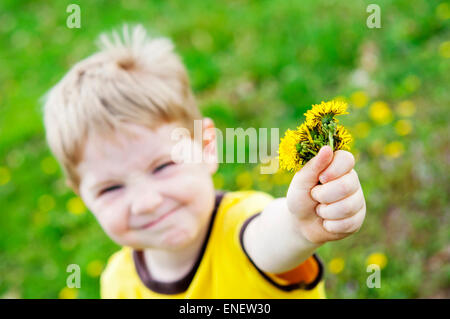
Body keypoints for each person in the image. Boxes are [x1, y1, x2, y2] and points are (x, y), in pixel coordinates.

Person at [42, 25, 366, 298]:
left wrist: (298, 225)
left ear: (207, 146)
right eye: (110, 188)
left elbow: (275, 236)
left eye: (163, 166)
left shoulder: (246, 228)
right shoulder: (116, 283)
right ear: (82, 195)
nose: (147, 202)